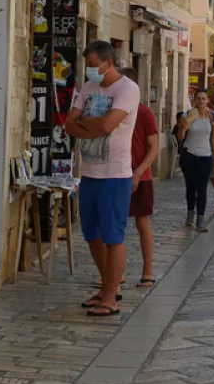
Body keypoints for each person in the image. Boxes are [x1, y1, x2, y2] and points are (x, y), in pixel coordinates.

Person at [66, 41, 140, 317]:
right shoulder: (88, 88)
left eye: (94, 65)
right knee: (92, 235)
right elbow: (69, 123)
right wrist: (90, 127)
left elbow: (109, 125)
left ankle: (111, 296)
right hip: (90, 173)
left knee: (112, 235)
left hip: (115, 174)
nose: (90, 70)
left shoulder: (127, 89)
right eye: (88, 65)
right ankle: (105, 285)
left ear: (109, 63)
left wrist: (85, 124)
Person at [120, 68, 160, 287]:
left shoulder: (144, 113)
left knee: (142, 224)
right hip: (117, 175)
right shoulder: (115, 110)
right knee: (116, 226)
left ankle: (148, 271)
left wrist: (138, 172)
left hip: (140, 177)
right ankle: (117, 272)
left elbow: (153, 148)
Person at [177, 89, 214, 232]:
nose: (201, 101)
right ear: (194, 101)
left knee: (202, 188)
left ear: (207, 100)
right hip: (189, 154)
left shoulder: (213, 116)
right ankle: (191, 212)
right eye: (198, 99)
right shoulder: (187, 115)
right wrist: (183, 128)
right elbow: (180, 137)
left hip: (205, 156)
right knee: (191, 186)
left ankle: (200, 218)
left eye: (204, 99)